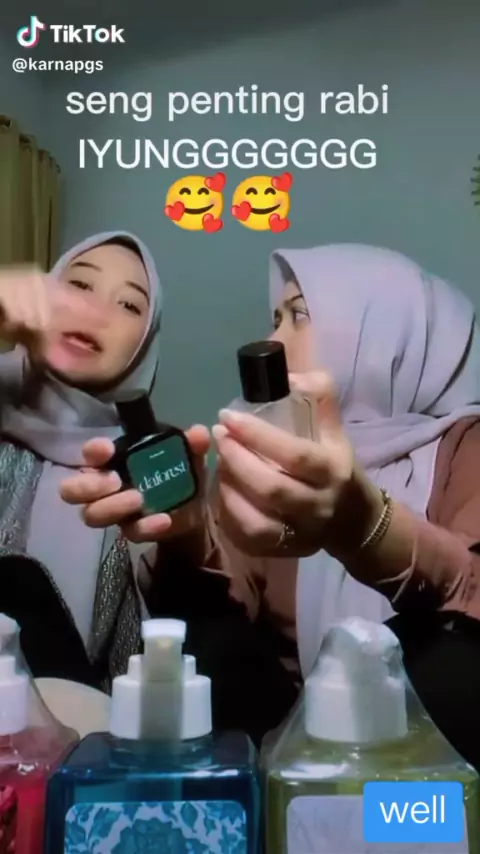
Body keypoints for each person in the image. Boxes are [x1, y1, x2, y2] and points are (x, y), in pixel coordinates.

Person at [61, 244, 480, 759]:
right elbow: (228, 624)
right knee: (201, 642)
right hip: (294, 741)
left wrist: (364, 524)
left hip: (433, 759)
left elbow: (470, 592)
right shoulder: (268, 452)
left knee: (433, 656)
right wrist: (188, 533)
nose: (273, 340)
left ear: (383, 333)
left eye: (298, 315)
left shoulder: (467, 445)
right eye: (274, 319)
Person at [0, 231, 162, 689]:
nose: (95, 311)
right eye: (79, 285)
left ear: (145, 345)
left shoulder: (153, 466)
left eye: (129, 305)